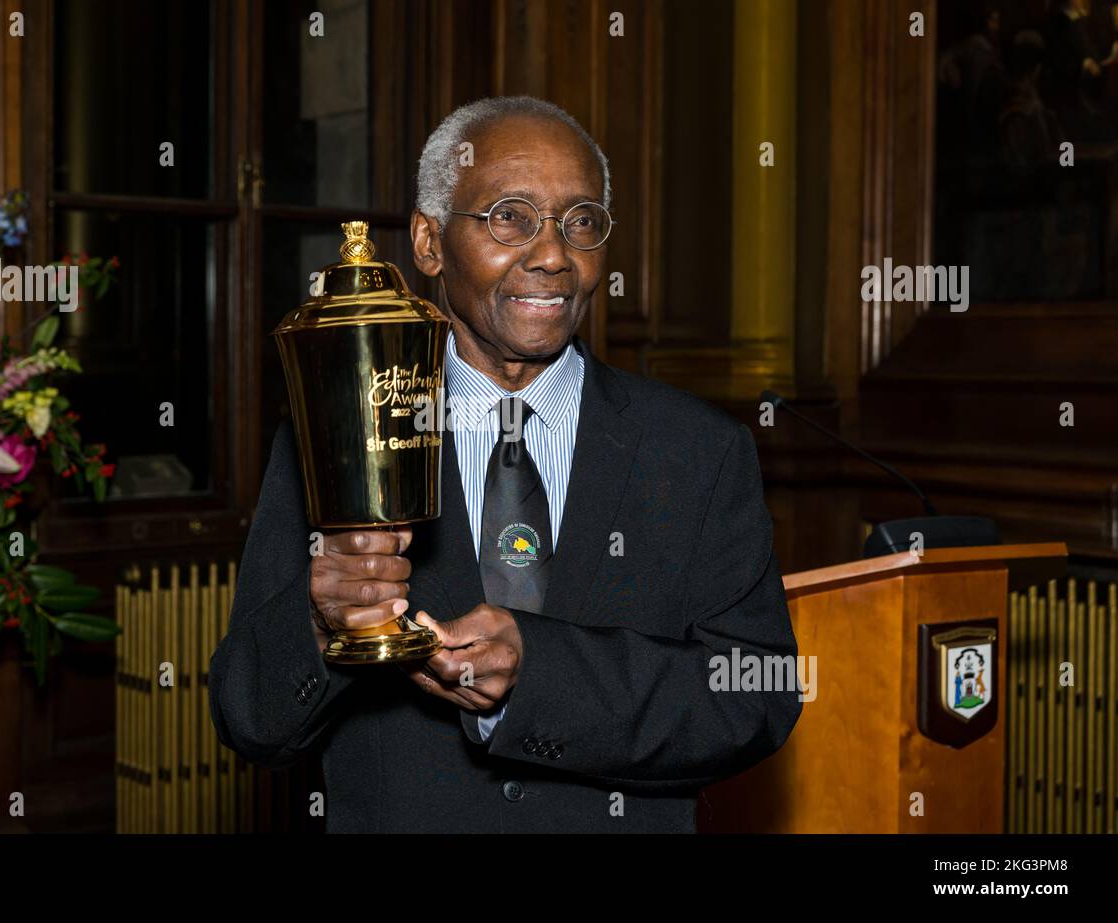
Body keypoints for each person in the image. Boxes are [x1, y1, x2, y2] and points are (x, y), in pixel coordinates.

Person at [209, 95, 802, 833]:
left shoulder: (696, 450)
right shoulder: (333, 433)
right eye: (509, 217)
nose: (553, 254)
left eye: (580, 221)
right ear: (428, 244)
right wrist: (316, 616)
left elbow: (756, 694)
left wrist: (539, 675)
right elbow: (249, 719)